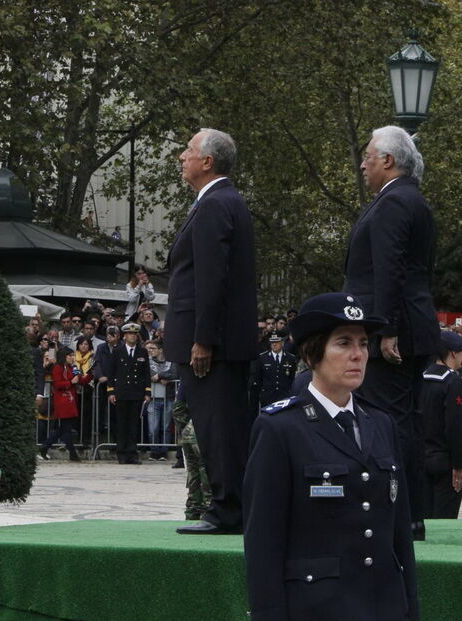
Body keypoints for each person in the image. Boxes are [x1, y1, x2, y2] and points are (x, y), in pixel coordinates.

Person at [243, 292, 418, 621]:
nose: (358, 355)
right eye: (343, 343)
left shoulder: (381, 424)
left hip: (384, 606)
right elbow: (263, 545)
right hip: (317, 608)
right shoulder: (280, 429)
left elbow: (400, 537)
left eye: (363, 343)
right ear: (313, 353)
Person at [343, 125, 438, 537]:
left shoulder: (395, 202)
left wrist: (387, 330)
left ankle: (401, 515)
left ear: (388, 160)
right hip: (407, 324)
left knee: (391, 423)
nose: (362, 164)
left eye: (368, 156)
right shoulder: (406, 199)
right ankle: (409, 515)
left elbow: (390, 269)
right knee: (403, 422)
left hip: (393, 333)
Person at [166, 128, 257, 534]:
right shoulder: (221, 201)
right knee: (219, 426)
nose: (182, 156)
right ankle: (230, 507)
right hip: (218, 340)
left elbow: (211, 277)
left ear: (208, 162)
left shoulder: (217, 204)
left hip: (212, 344)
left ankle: (227, 510)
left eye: (188, 150)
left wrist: (203, 339)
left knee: (217, 428)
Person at [420, 331, 462, 519]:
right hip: (444, 460)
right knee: (444, 521)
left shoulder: (421, 378)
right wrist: (459, 464)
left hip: (421, 457)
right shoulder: (452, 381)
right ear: (454, 353)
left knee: (424, 518)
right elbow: (454, 427)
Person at [106, 323, 152, 464]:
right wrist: (111, 391)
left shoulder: (142, 352)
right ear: (124, 336)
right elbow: (111, 372)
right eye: (129, 334)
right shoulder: (118, 350)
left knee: (134, 425)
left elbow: (146, 373)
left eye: (134, 334)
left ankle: (132, 453)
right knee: (121, 424)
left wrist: (147, 392)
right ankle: (122, 453)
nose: (132, 336)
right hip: (121, 392)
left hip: (136, 392)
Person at [40, 347, 90, 462]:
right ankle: (72, 453)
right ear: (64, 356)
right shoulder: (57, 368)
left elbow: (81, 380)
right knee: (65, 429)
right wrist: (70, 382)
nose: (72, 358)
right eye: (70, 356)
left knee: (62, 429)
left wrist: (90, 374)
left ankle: (45, 447)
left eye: (73, 356)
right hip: (62, 402)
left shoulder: (72, 367)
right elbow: (58, 384)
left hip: (71, 402)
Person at [249, 331, 297, 411]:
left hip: (284, 397)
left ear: (282, 343)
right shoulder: (262, 358)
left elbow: (292, 379)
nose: (274, 344)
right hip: (268, 397)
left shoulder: (291, 358)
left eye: (277, 342)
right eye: (272, 342)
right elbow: (258, 379)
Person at [145, 339, 177, 460]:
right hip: (153, 398)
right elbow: (149, 374)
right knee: (153, 427)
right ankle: (154, 451)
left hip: (168, 398)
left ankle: (164, 451)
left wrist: (160, 375)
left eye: (153, 349)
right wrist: (161, 377)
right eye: (149, 349)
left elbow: (175, 373)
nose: (150, 351)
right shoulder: (147, 361)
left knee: (166, 426)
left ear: (160, 350)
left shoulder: (170, 362)